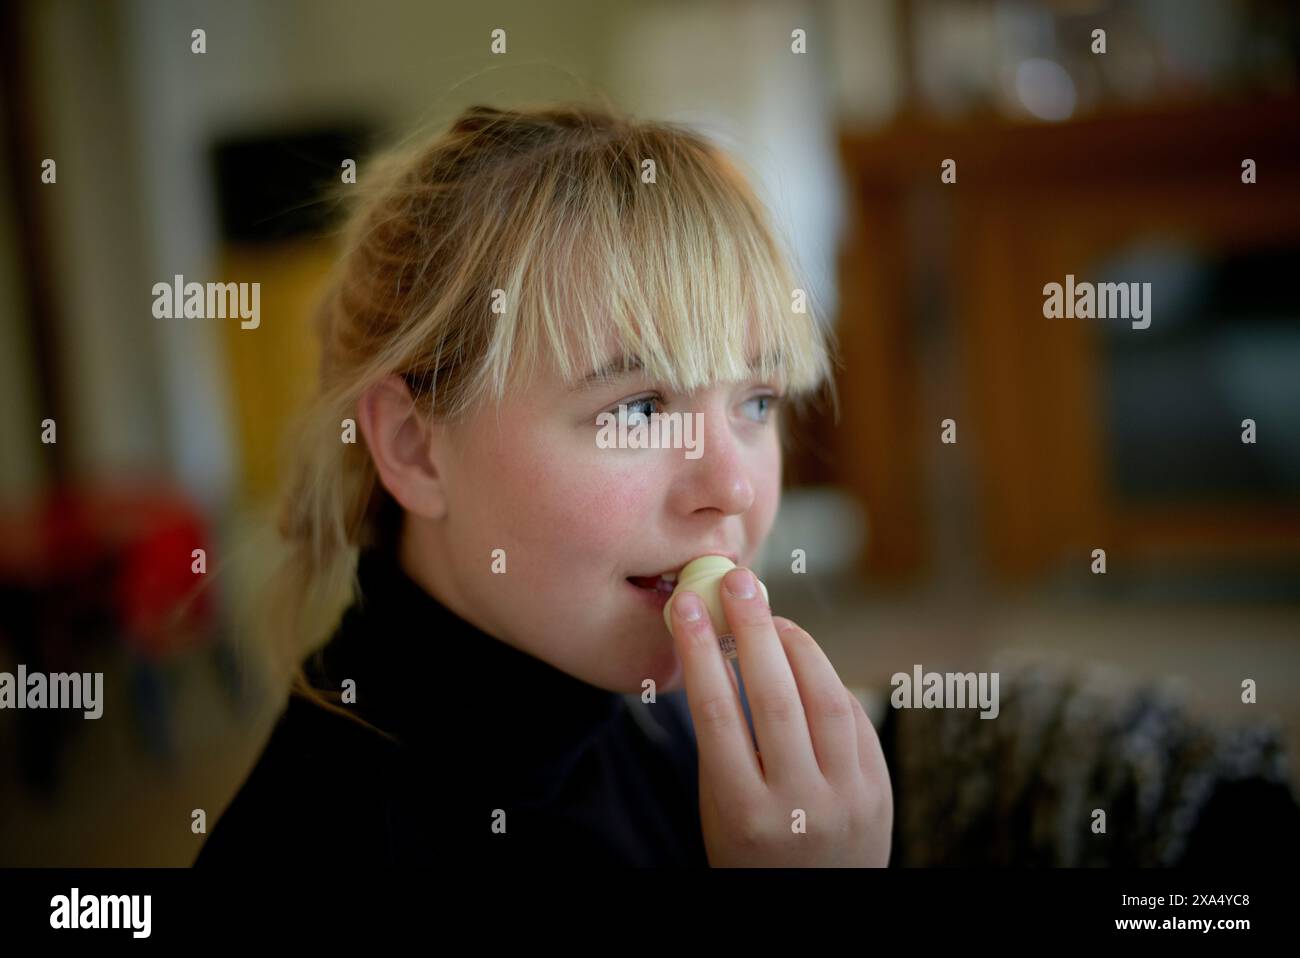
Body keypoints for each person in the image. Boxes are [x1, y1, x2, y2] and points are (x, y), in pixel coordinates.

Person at [194, 102, 892, 867]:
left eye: (756, 401)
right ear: (416, 450)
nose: (732, 486)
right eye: (638, 408)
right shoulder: (332, 839)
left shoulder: (641, 703)